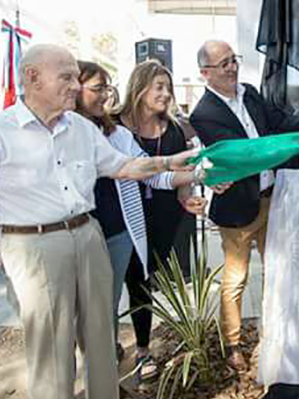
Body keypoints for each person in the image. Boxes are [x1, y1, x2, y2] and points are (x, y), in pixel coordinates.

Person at [0, 44, 198, 399]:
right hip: (32, 247)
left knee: (100, 338)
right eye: (65, 76)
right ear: (32, 77)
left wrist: (171, 161)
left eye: (75, 77)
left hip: (88, 236)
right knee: (51, 350)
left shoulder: (82, 128)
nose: (74, 85)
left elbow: (125, 166)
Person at [190, 39, 299, 371]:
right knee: (236, 280)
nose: (232, 67)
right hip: (237, 212)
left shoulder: (250, 92)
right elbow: (248, 156)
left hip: (272, 202)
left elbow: (276, 122)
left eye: (233, 59)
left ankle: (275, 336)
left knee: (279, 271)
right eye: (224, 63)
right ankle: (233, 344)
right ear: (205, 73)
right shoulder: (204, 114)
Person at [75, 60, 209, 380]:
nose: (105, 96)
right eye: (98, 88)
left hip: (121, 233)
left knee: (112, 302)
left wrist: (202, 174)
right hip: (75, 234)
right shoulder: (62, 130)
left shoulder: (116, 133)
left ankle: (107, 377)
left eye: (107, 88)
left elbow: (150, 173)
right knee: (84, 315)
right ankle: (92, 372)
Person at [114, 60, 223, 376]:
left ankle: (166, 341)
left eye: (168, 88)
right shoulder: (113, 125)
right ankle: (142, 349)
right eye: (158, 87)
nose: (165, 94)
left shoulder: (174, 128)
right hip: (127, 216)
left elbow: (182, 175)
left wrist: (188, 199)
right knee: (135, 282)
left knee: (161, 279)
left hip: (168, 215)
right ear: (139, 86)